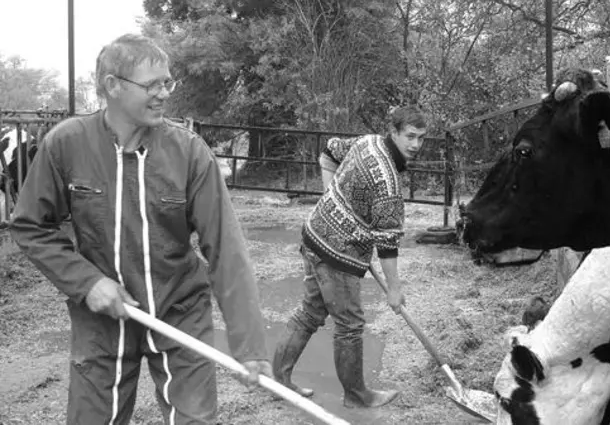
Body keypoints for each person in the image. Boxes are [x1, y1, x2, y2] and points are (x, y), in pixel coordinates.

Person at [9, 34, 272, 424]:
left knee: (195, 419)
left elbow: (226, 249)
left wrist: (250, 346)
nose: (164, 94)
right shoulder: (66, 144)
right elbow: (30, 225)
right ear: (112, 86)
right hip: (103, 320)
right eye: (152, 85)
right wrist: (86, 283)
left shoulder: (189, 152)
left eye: (168, 82)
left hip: (180, 312)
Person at [272, 106, 428, 408]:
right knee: (350, 325)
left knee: (311, 312)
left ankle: (279, 380)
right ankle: (356, 396)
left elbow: (328, 152)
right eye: (410, 136)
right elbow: (387, 244)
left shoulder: (367, 141)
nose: (416, 145)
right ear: (393, 132)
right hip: (336, 254)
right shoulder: (389, 185)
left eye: (421, 138)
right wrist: (394, 289)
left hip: (314, 234)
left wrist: (332, 199)